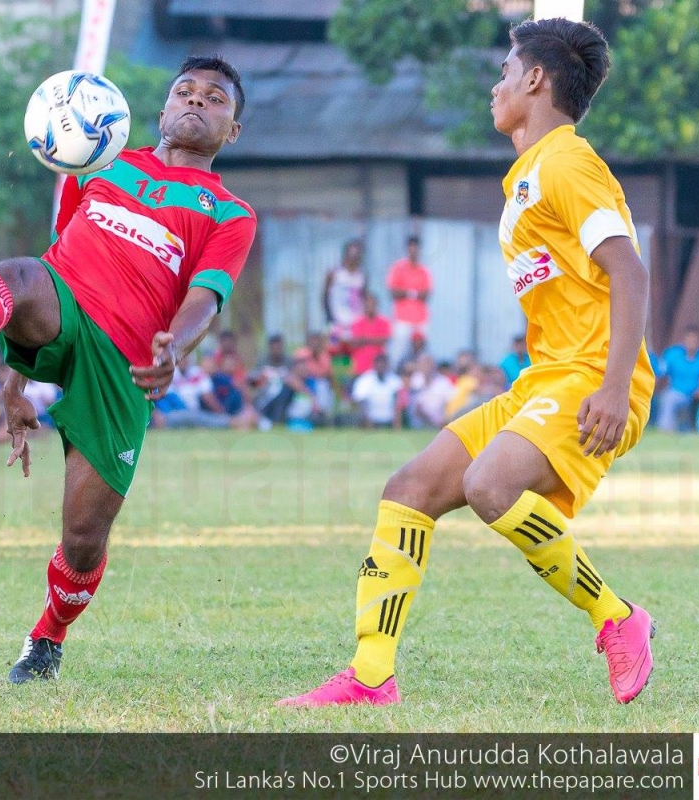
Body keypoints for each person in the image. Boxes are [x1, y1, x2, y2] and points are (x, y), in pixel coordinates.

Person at [281, 18, 656, 708]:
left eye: (505, 71)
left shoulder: (567, 164)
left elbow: (629, 273)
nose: (496, 85)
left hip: (593, 378)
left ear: (535, 80)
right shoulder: (530, 174)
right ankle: (370, 677)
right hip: (545, 379)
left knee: (490, 486)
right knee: (410, 488)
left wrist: (612, 388)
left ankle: (617, 617)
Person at [0, 56, 255, 684]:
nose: (196, 102)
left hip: (125, 363)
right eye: (184, 91)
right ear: (160, 110)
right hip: (65, 306)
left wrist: (174, 349)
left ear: (232, 130)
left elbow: (206, 297)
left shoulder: (231, 214)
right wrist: (16, 382)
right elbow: (57, 256)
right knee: (21, 272)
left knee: (83, 537)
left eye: (215, 99)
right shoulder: (100, 164)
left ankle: (47, 638)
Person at [656, 326, 699, 432]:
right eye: (689, 339)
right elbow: (660, 374)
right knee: (669, 398)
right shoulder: (672, 354)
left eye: (695, 340)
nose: (692, 343)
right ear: (683, 340)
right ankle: (666, 430)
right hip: (677, 392)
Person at [386, 235, 432, 364]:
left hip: (421, 318)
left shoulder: (424, 270)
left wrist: (406, 292)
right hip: (402, 317)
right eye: (411, 248)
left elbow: (426, 295)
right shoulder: (397, 268)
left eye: (416, 248)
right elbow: (394, 293)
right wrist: (415, 293)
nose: (413, 251)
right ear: (407, 249)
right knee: (398, 351)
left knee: (421, 353)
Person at [323, 239, 367, 342]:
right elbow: (325, 297)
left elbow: (363, 297)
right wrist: (330, 319)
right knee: (335, 349)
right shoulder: (334, 273)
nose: (355, 257)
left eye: (357, 254)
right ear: (346, 254)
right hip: (337, 323)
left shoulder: (361, 276)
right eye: (352, 254)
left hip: (355, 324)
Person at [351, 353, 403, 429]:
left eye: (383, 363)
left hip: (389, 419)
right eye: (379, 363)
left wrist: (396, 424)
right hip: (370, 419)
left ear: (387, 364)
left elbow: (400, 401)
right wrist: (368, 422)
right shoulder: (365, 379)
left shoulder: (395, 380)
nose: (381, 366)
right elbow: (359, 400)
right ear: (374, 364)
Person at [348, 293, 392, 376]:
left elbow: (384, 340)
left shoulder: (384, 322)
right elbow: (355, 342)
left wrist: (365, 339)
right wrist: (374, 339)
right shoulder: (357, 322)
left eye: (372, 304)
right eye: (368, 304)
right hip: (360, 367)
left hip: (379, 367)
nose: (370, 307)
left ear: (376, 305)